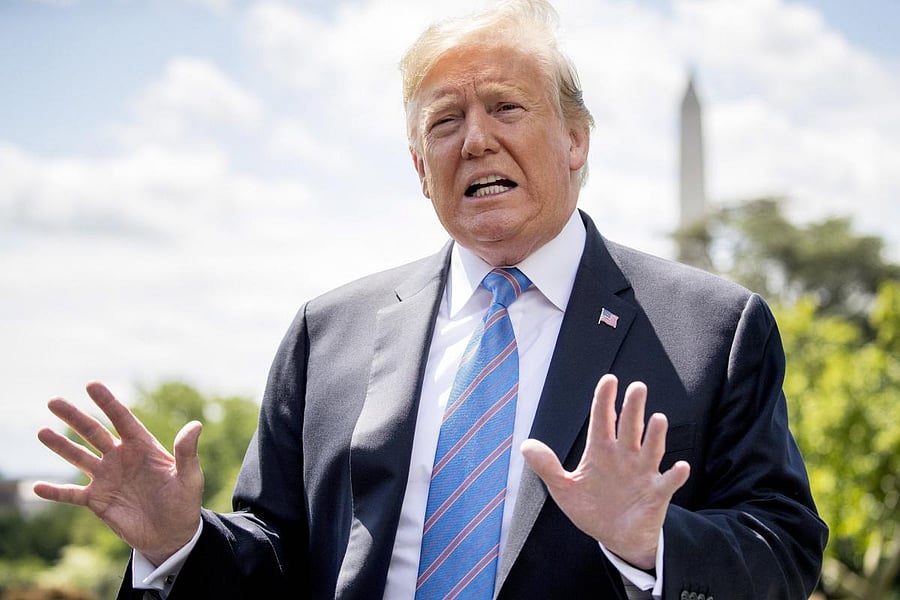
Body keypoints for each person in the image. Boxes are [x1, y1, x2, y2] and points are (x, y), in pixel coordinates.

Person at [34, 1, 827, 598]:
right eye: (444, 122)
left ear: (577, 138)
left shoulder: (712, 330)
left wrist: (653, 540)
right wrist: (180, 543)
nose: (475, 140)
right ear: (420, 169)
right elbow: (278, 554)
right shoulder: (328, 332)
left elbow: (786, 555)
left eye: (506, 108)